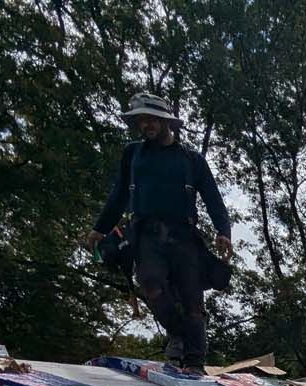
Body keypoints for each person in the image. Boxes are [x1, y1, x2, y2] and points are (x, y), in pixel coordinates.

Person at [84, 93, 231, 371]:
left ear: (166, 122)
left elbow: (213, 198)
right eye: (141, 121)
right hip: (147, 234)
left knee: (192, 300)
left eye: (151, 119)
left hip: (183, 235)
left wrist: (223, 231)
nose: (146, 125)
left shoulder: (191, 160)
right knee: (150, 284)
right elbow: (118, 195)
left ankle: (195, 361)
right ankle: (178, 333)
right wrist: (100, 228)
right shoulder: (133, 154)